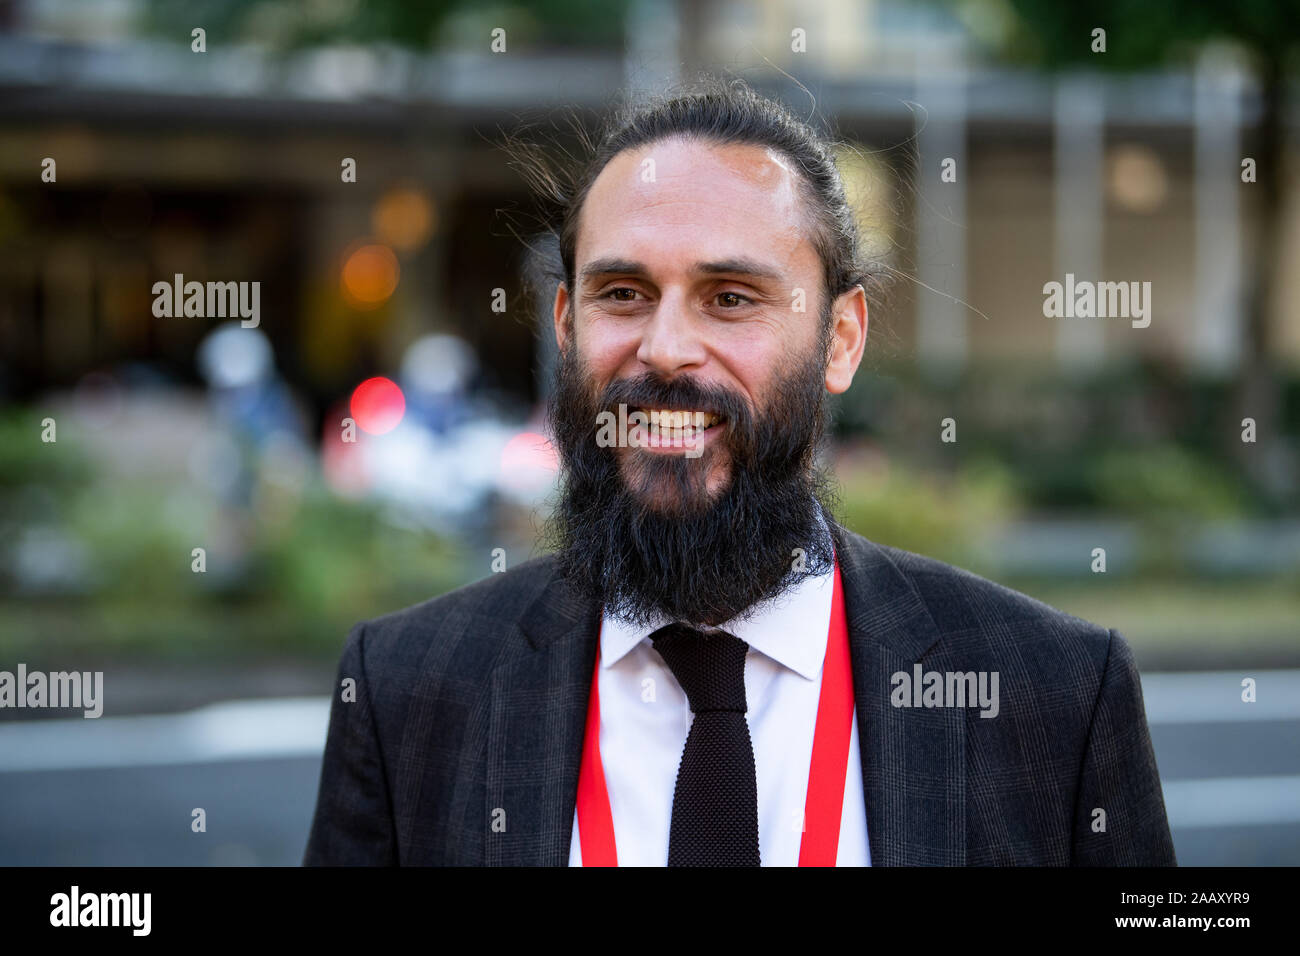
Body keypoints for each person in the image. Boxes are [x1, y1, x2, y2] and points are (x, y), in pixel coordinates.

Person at [303, 78, 1176, 867]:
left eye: (730, 297)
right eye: (622, 294)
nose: (667, 349)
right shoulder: (405, 691)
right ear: (565, 327)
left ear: (840, 339)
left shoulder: (1056, 696)